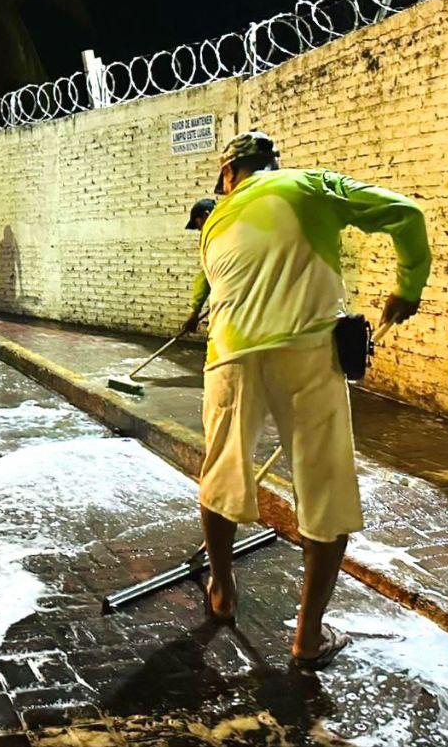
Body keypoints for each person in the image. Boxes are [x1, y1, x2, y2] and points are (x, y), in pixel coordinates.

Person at [198, 131, 429, 669]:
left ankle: (223, 588)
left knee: (221, 473)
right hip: (307, 352)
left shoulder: (215, 220)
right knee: (325, 489)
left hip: (231, 355)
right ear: (272, 164)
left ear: (229, 174)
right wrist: (408, 286)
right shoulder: (308, 185)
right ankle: (307, 635)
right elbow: (406, 214)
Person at [181, 198, 216, 335]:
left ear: (207, 214)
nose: (200, 230)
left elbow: (206, 276)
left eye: (199, 224)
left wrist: (194, 312)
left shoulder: (214, 236)